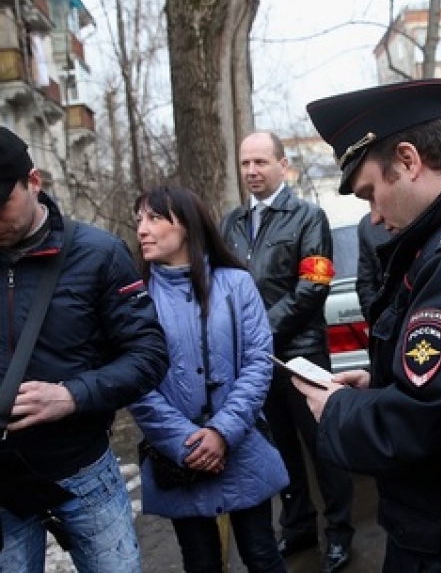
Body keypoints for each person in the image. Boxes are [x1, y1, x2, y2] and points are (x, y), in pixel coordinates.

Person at [300, 79, 441, 572]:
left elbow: (426, 420)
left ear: (408, 160)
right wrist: (378, 385)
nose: (376, 218)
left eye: (370, 195)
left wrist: (338, 410)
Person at [0, 127, 168, 571]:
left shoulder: (99, 254)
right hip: (3, 482)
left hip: (84, 473)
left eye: (1, 203)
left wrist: (72, 395)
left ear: (33, 182)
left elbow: (149, 355)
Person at [130, 185, 289, 573]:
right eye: (138, 222)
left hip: (241, 445)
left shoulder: (236, 284)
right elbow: (135, 382)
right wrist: (186, 444)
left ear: (186, 225)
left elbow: (257, 362)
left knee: (262, 555)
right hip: (176, 456)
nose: (142, 231)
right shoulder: (136, 298)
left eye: (153, 218)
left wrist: (222, 432)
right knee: (200, 563)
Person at [221, 131, 354, 573]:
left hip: (303, 355)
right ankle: (297, 527)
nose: (252, 171)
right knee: (279, 451)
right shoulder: (232, 223)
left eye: (260, 162)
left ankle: (339, 533)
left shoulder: (307, 218)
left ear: (282, 165)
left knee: (323, 448)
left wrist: (259, 333)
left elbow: (312, 288)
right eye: (245, 164)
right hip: (257, 365)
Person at [355, 211, 391, 322]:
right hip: (390, 323)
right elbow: (366, 282)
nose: (375, 219)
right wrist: (378, 320)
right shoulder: (367, 226)